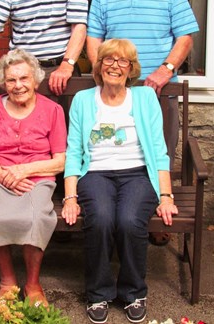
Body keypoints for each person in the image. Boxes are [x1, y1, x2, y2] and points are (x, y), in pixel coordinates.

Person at [86, 0, 198, 246]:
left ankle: (154, 218)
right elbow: (94, 38)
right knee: (113, 154)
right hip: (112, 92)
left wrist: (165, 69)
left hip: (158, 91)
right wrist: (100, 73)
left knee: (157, 151)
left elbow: (185, 37)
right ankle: (109, 215)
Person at [62, 38, 178, 323]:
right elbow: (74, 151)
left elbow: (159, 152)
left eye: (122, 61)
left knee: (128, 220)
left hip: (137, 174)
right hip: (96, 174)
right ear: (99, 67)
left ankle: (133, 292)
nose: (115, 66)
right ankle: (98, 293)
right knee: (100, 218)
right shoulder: (82, 100)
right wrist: (70, 197)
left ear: (131, 68)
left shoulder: (145, 98)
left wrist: (166, 195)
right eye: (109, 60)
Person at [0, 48, 67, 305]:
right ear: (4, 82)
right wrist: (3, 175)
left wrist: (25, 170)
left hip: (37, 177)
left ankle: (33, 284)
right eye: (11, 80)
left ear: (35, 80)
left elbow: (61, 160)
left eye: (24, 78)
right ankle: (7, 281)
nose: (18, 85)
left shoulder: (52, 111)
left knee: (36, 218)